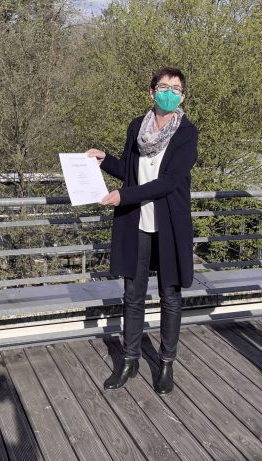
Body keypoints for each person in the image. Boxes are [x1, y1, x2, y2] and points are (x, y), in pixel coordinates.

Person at [86, 67, 198, 395]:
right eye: (163, 87)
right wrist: (105, 160)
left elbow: (169, 182)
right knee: (132, 295)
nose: (169, 93)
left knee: (170, 296)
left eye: (175, 89)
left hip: (169, 225)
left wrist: (124, 196)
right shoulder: (137, 126)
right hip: (136, 222)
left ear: (182, 96)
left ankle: (166, 362)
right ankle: (130, 359)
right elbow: (130, 171)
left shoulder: (187, 133)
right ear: (151, 92)